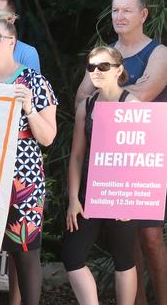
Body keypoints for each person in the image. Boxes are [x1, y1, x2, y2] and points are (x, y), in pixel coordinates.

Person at [74, 0, 167, 305]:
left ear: (143, 15)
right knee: (127, 243)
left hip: (146, 160)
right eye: (115, 10)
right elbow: (81, 99)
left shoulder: (159, 53)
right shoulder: (105, 53)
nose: (119, 16)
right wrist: (115, 93)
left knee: (151, 237)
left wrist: (107, 92)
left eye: (127, 10)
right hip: (110, 163)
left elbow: (143, 95)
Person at [0, 19, 57, 304]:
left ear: (12, 42)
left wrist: (28, 106)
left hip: (23, 181)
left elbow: (48, 137)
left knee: (26, 253)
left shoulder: (34, 81)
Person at [62, 46, 139, 305]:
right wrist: (74, 198)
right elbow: (76, 156)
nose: (96, 71)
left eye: (103, 66)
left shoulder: (132, 104)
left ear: (118, 70)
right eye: (91, 66)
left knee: (124, 258)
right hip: (89, 190)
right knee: (72, 256)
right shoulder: (87, 104)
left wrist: (130, 197)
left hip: (121, 191)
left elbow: (145, 157)